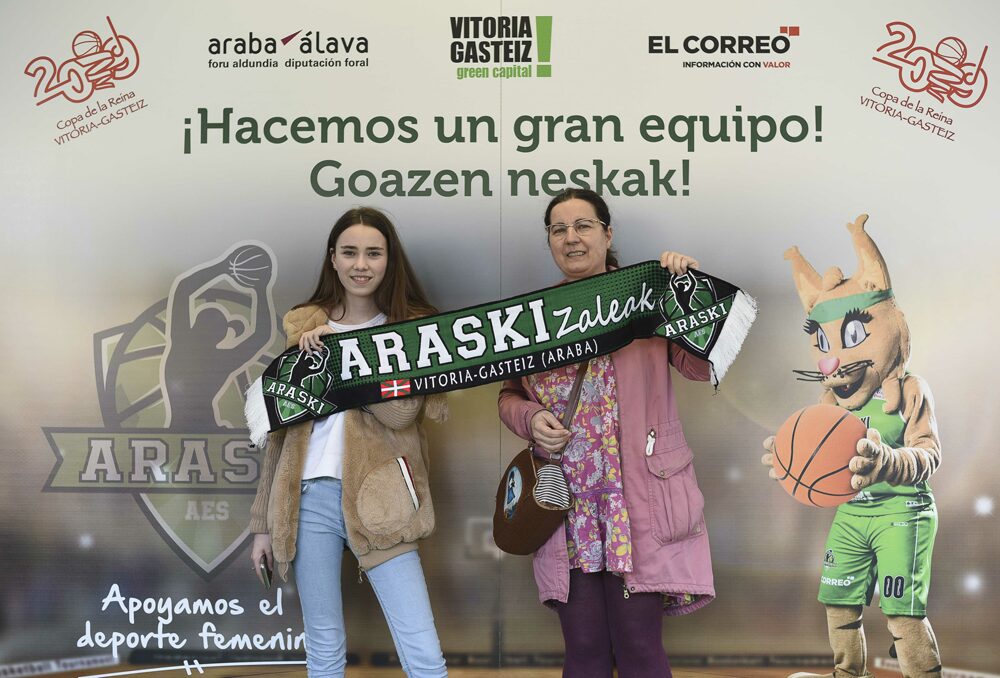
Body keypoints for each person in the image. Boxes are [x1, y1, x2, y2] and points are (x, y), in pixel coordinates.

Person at [497, 189, 714, 678]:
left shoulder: (648, 299)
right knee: (585, 651)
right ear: (550, 240)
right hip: (565, 504)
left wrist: (689, 292)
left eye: (584, 225)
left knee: (639, 648)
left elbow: (699, 367)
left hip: (633, 503)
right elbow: (508, 397)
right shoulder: (535, 317)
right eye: (559, 228)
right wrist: (530, 419)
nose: (571, 237)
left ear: (607, 234)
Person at [249, 207, 448, 678]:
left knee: (421, 650)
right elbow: (278, 439)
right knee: (322, 648)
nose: (361, 264)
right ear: (333, 259)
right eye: (350, 252)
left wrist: (339, 359)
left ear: (389, 261)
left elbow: (401, 413)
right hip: (307, 499)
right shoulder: (303, 335)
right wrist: (262, 523)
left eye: (373, 253)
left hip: (384, 496)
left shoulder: (408, 333)